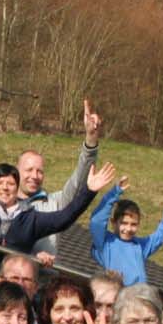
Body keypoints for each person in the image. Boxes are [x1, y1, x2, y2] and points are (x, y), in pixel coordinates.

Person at [16, 99, 104, 258]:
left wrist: (91, 139)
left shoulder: (55, 203)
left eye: (40, 171)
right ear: (17, 171)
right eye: (29, 170)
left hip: (44, 273)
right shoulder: (3, 202)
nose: (34, 176)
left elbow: (78, 182)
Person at [90, 181, 163, 287]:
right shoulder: (105, 242)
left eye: (133, 224)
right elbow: (97, 221)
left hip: (139, 293)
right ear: (113, 222)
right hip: (118, 292)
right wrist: (114, 193)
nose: (128, 229)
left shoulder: (140, 246)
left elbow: (161, 234)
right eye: (124, 223)